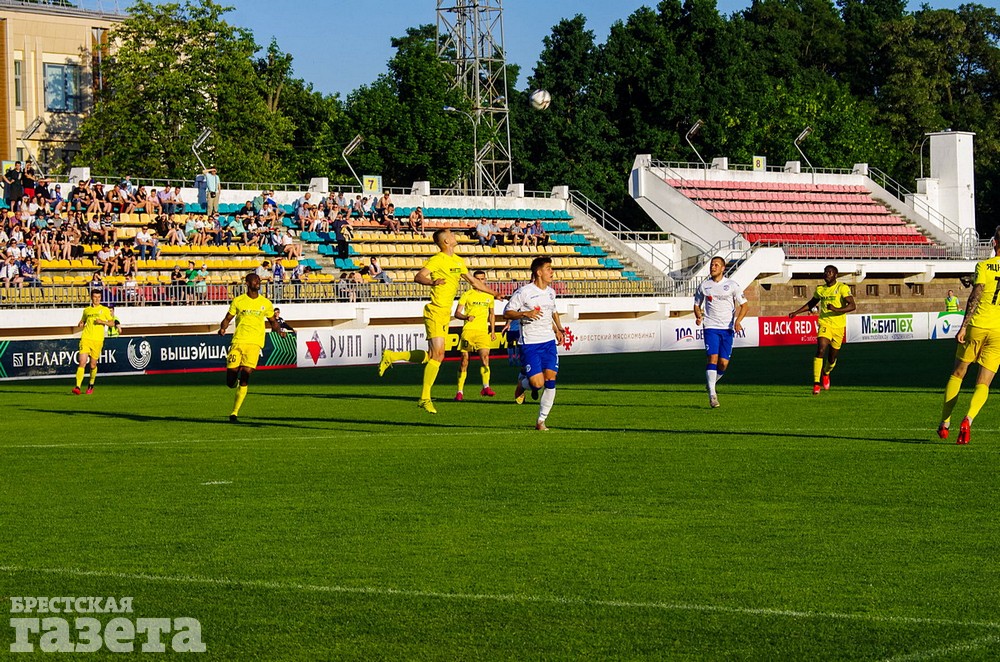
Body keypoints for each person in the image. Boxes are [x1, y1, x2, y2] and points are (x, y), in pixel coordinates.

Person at [378, 228, 502, 414]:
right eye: (451, 234)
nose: (454, 236)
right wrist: (432, 282)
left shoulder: (458, 261)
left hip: (445, 314)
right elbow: (419, 276)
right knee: (439, 355)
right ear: (445, 242)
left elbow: (475, 282)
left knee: (431, 356)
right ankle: (425, 397)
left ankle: (392, 356)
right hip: (435, 311)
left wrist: (494, 293)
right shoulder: (437, 259)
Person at [938, 227, 1000, 444]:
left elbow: (975, 295)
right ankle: (969, 419)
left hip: (978, 325)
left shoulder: (983, 266)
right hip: (999, 331)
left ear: (994, 243)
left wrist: (963, 326)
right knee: (984, 383)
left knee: (958, 373)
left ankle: (945, 422)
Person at [504, 256, 565, 430]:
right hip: (530, 343)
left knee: (551, 379)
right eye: (548, 269)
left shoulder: (551, 292)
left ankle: (541, 421)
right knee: (537, 384)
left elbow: (551, 313)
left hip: (548, 343)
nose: (552, 272)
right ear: (538, 272)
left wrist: (558, 330)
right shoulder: (524, 292)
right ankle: (522, 384)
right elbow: (507, 313)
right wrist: (525, 314)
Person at [217, 272, 286, 422]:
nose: (258, 282)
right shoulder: (239, 301)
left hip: (255, 344)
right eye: (255, 280)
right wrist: (223, 328)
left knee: (246, 376)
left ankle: (234, 413)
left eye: (259, 280)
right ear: (247, 283)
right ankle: (233, 382)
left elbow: (272, 321)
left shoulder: (266, 303)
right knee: (230, 381)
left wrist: (279, 331)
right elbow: (228, 318)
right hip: (238, 342)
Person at [788, 264, 857, 395]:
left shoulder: (842, 288)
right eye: (825, 272)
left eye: (829, 272)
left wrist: (836, 309)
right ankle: (816, 384)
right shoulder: (820, 290)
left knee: (832, 359)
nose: (826, 274)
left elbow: (852, 306)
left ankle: (826, 372)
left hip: (838, 327)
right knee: (820, 349)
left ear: (835, 275)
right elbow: (811, 303)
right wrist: (796, 312)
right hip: (825, 324)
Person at [694, 256, 748, 408]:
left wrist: (738, 322)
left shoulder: (732, 285)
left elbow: (745, 306)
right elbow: (697, 304)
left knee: (723, 364)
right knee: (712, 358)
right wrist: (698, 316)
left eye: (716, 265)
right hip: (710, 327)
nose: (713, 267)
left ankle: (711, 384)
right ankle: (712, 394)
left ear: (723, 268)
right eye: (712, 265)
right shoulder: (704, 286)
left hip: (727, 329)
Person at [453, 270, 498, 401]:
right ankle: (460, 391)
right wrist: (466, 316)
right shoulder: (467, 295)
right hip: (468, 331)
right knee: (464, 361)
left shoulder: (489, 296)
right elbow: (457, 313)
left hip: (483, 332)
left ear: (485, 280)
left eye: (482, 279)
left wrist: (493, 331)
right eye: (477, 279)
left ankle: (486, 387)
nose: (480, 281)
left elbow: (492, 314)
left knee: (485, 357)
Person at [72, 289, 115, 395]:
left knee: (92, 365)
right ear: (91, 297)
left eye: (99, 297)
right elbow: (83, 320)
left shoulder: (104, 310)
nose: (97, 299)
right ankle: (77, 387)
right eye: (95, 297)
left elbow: (112, 323)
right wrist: (81, 323)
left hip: (97, 340)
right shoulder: (86, 310)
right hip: (86, 338)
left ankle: (91, 384)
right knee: (82, 362)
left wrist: (102, 322)